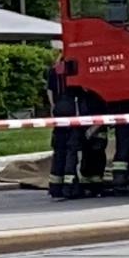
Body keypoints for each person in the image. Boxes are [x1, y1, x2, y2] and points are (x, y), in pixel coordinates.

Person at [45, 58, 82, 200]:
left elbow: (49, 90)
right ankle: (70, 186)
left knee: (59, 149)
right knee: (71, 149)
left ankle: (55, 187)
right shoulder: (75, 66)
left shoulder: (53, 70)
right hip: (73, 110)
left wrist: (54, 107)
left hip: (59, 109)